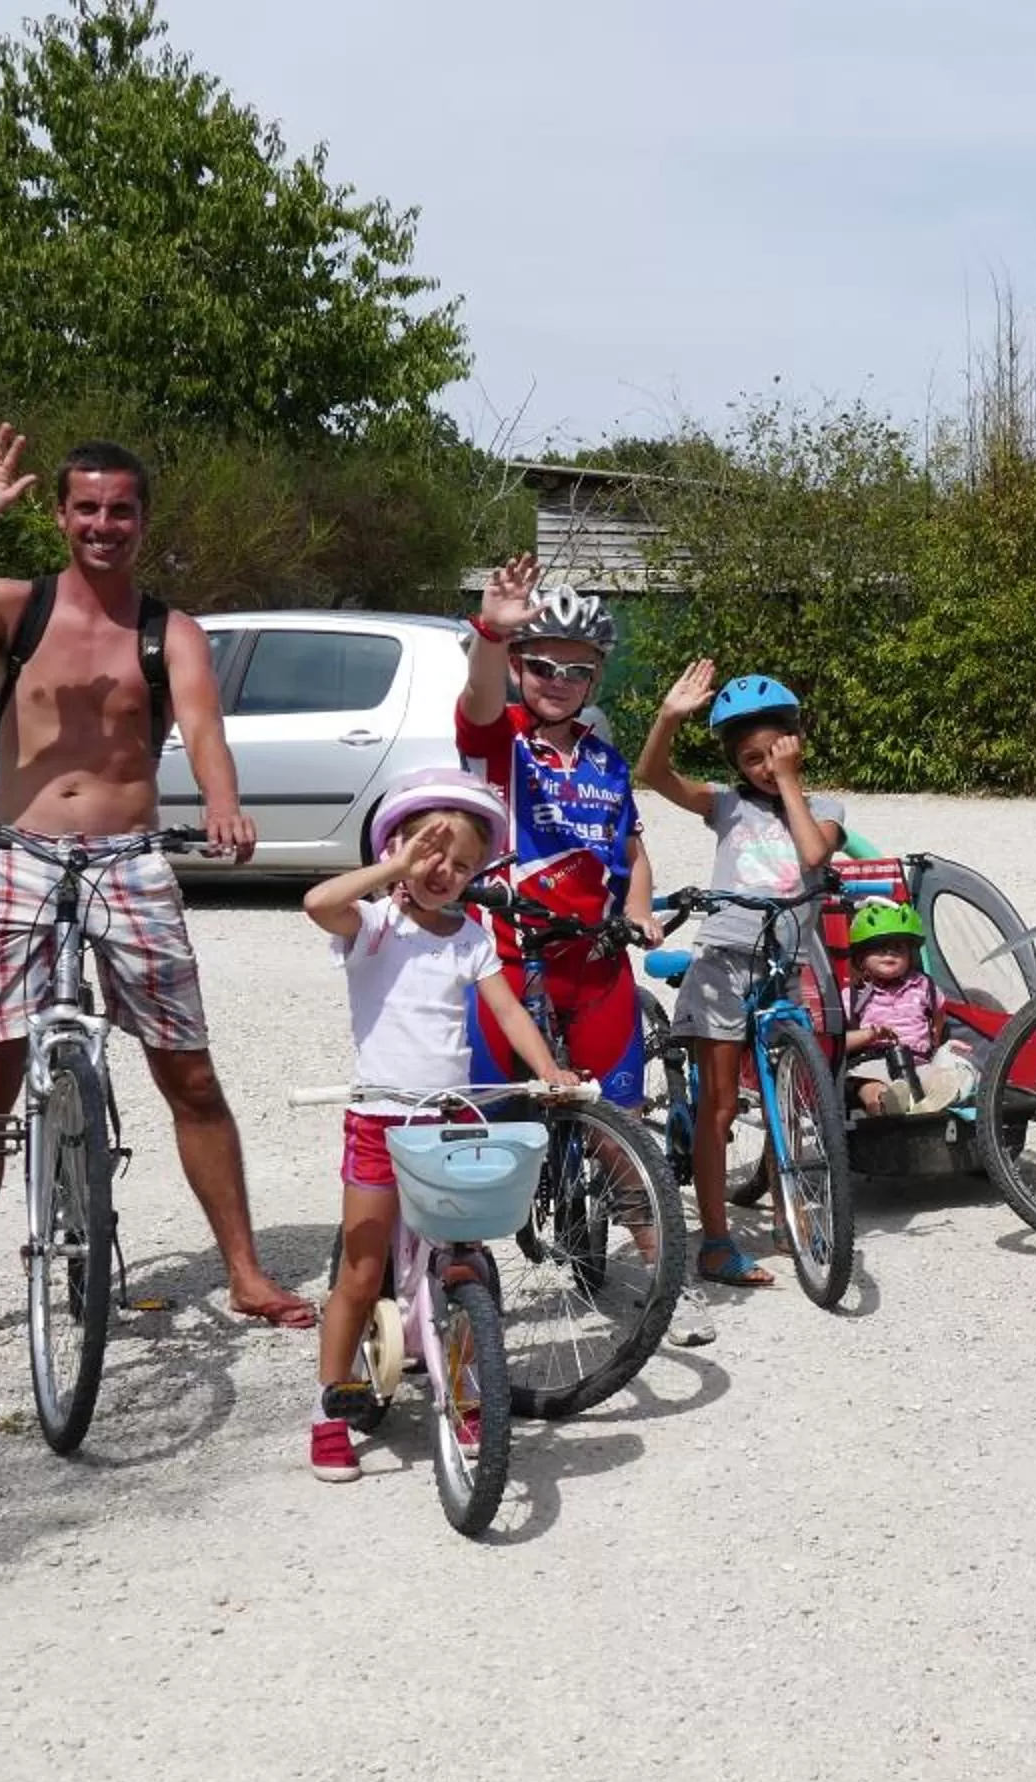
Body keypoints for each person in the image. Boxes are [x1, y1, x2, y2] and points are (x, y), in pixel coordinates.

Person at [0, 422, 310, 1371]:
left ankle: (246, 1271)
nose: (103, 524)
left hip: (128, 859)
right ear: (62, 516)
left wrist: (226, 807)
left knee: (187, 1074)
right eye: (87, 508)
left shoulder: (169, 631)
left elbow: (202, 729)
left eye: (120, 509)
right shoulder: (13, 607)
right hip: (18, 857)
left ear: (142, 521)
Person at [301, 771, 568, 1482]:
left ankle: (464, 1382)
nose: (444, 873)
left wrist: (549, 1070)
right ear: (398, 851)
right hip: (379, 1119)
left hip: (448, 1123)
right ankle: (330, 1410)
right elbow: (317, 902)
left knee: (465, 1260)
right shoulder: (377, 926)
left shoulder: (470, 937)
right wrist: (393, 868)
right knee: (361, 1273)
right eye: (429, 855)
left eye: (462, 864)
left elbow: (508, 1012)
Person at [636, 660, 847, 1292]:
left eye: (773, 752)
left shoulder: (824, 807)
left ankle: (788, 1200)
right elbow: (652, 776)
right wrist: (670, 718)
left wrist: (788, 784)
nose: (762, 766)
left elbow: (814, 854)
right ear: (735, 763)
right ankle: (716, 1240)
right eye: (750, 758)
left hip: (785, 965)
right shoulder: (724, 806)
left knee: (794, 1091)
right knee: (721, 1105)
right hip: (725, 963)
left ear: (796, 742)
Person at [455, 554, 663, 1106]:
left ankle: (625, 1195)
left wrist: (637, 911)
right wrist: (492, 633)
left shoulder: (606, 760)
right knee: (493, 1128)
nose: (560, 682)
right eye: (544, 667)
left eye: (577, 672)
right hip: (506, 955)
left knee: (623, 1129)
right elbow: (478, 701)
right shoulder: (502, 738)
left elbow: (633, 852)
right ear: (518, 668)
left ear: (594, 680)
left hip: (594, 957)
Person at [838, 901, 974, 1117]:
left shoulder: (923, 986)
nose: (890, 953)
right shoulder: (852, 996)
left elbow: (939, 1013)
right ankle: (886, 1104)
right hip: (873, 1062)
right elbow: (838, 1043)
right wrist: (871, 1034)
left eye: (899, 948)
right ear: (861, 958)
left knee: (949, 1076)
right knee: (870, 1088)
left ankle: (934, 1100)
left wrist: (937, 1041)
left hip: (919, 1061)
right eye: (879, 947)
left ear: (911, 956)